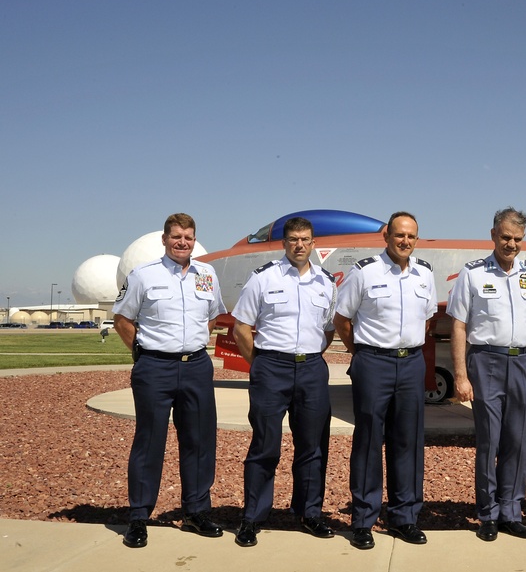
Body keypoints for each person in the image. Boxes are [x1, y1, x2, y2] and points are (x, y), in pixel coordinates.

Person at [112, 213, 227, 548]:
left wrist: (191, 346)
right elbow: (122, 318)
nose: (182, 242)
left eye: (188, 237)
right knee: (149, 443)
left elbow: (213, 316)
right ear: (165, 239)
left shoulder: (206, 275)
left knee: (200, 441)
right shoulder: (143, 276)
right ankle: (138, 517)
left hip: (196, 367)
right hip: (155, 369)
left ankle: (195, 512)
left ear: (194, 239)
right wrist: (143, 352)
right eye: (176, 236)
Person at [446, 207, 526, 542]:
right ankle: (488, 513)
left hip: (521, 361)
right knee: (489, 439)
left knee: (518, 441)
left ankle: (511, 511)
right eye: (506, 237)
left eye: (518, 239)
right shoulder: (474, 274)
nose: (511, 244)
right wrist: (461, 376)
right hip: (485, 361)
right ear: (493, 235)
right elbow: (459, 326)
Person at [231, 217, 338, 547]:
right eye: (293, 239)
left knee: (312, 446)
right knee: (265, 444)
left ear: (314, 242)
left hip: (311, 369)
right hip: (271, 367)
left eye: (305, 239)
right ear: (283, 243)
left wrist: (306, 358)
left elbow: (329, 329)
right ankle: (253, 516)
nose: (300, 245)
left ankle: (309, 513)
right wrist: (261, 365)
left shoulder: (326, 281)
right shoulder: (263, 279)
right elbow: (241, 329)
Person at [333, 212, 437, 550]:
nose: (405, 241)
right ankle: (363, 519)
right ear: (386, 236)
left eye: (411, 236)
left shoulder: (424, 274)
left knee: (408, 441)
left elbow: (427, 321)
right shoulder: (364, 272)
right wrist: (362, 354)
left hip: (411, 365)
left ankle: (404, 517)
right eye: (399, 235)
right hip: (373, 362)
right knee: (368, 440)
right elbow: (342, 320)